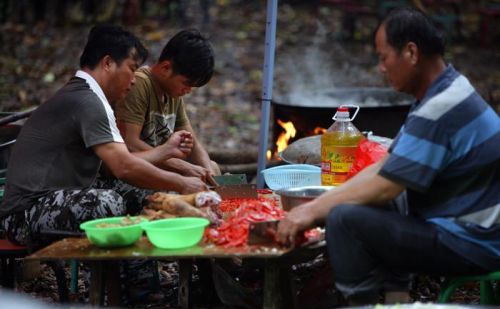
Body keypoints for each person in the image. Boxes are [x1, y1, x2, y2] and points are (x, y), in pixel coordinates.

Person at [277, 7, 500, 305]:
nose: (381, 68)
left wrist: (311, 210)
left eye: (384, 57)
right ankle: (398, 298)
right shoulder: (445, 91)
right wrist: (322, 200)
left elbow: (386, 183)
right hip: (471, 232)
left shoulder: (442, 105)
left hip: (474, 242)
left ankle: (361, 304)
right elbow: (385, 167)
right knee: (375, 201)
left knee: (345, 219)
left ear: (410, 53)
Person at [0, 25, 208, 246]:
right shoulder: (86, 101)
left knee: (145, 195)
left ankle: (139, 278)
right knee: (108, 202)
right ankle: (111, 276)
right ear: (108, 63)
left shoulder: (91, 97)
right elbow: (124, 167)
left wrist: (170, 169)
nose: (134, 79)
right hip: (23, 215)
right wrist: (182, 183)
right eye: (131, 68)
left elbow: (119, 165)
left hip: (56, 199)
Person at [115, 29, 221, 184]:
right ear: (166, 68)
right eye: (186, 83)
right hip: (134, 170)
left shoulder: (173, 92)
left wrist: (209, 174)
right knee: (191, 181)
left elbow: (193, 143)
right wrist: (182, 167)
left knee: (213, 167)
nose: (188, 91)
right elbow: (130, 144)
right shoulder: (139, 84)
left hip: (159, 165)